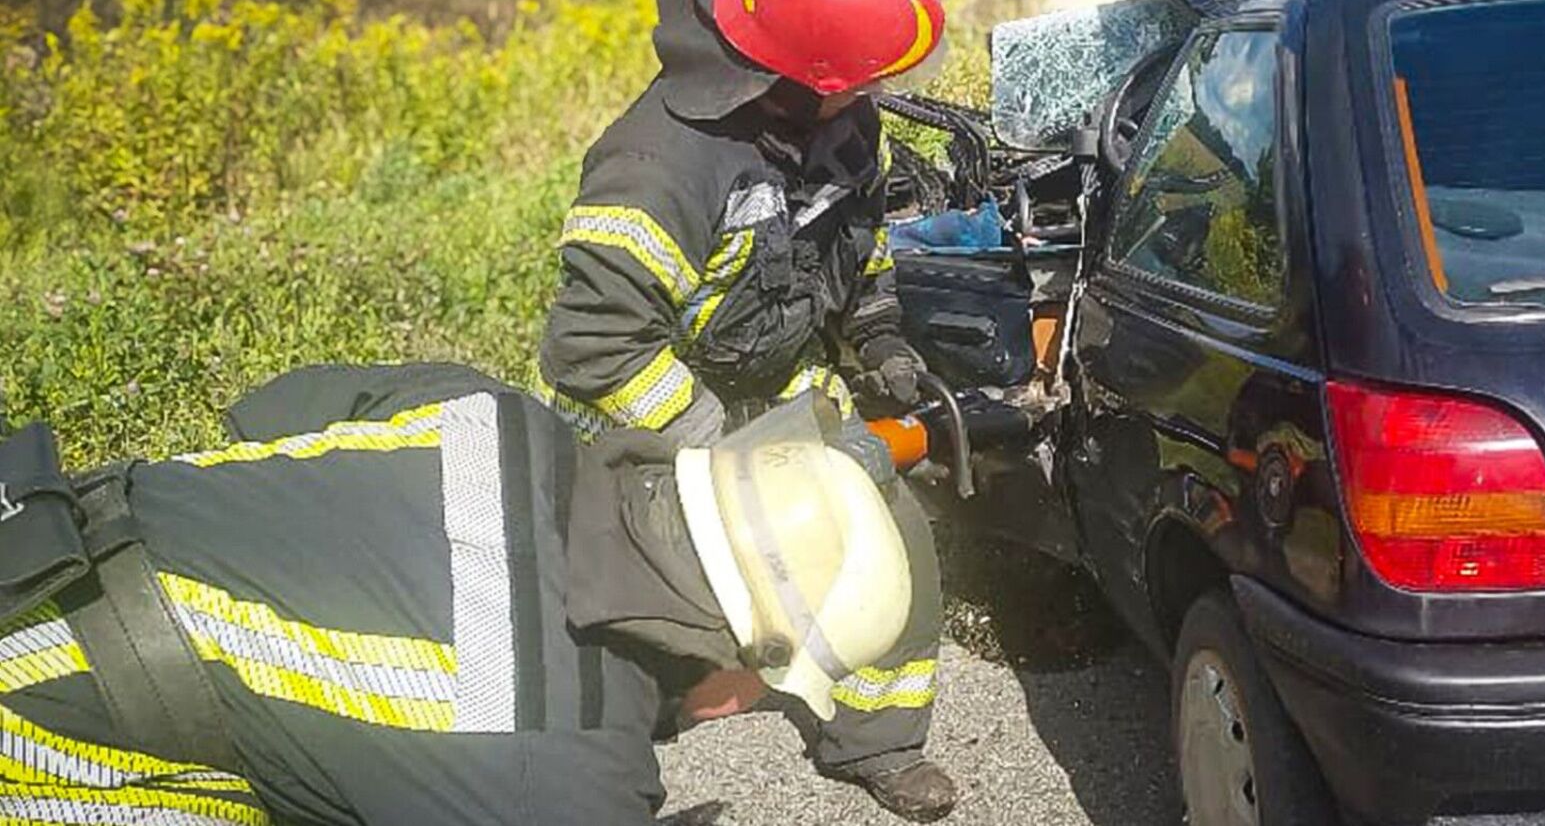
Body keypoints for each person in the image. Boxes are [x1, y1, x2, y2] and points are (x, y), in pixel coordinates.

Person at [0, 362, 938, 825]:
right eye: (771, 696)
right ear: (746, 654)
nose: (743, 715)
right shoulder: (565, 769)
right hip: (39, 733)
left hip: (31, 530)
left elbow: (271, 412)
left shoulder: (502, 418)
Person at [533, 0, 957, 820]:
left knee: (893, 538)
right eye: (867, 77)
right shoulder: (658, 166)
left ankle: (874, 742)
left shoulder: (844, 124)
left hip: (779, 384)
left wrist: (878, 340)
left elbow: (860, 248)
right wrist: (727, 452)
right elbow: (592, 345)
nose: (878, 91)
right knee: (636, 618)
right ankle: (603, 767)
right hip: (657, 415)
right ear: (803, 73)